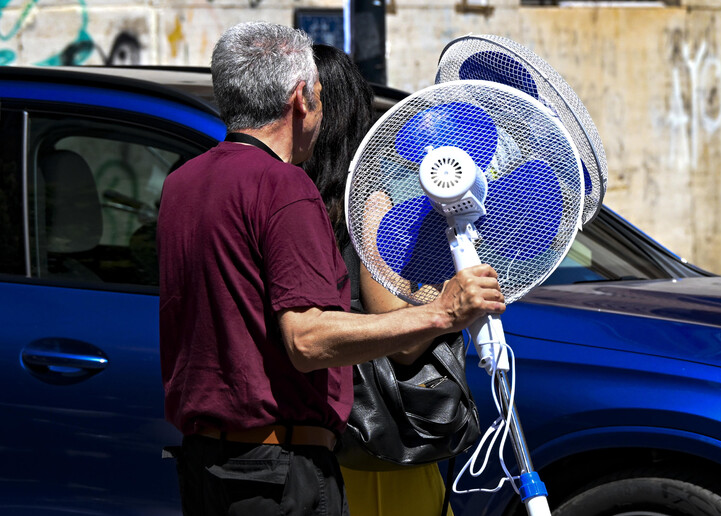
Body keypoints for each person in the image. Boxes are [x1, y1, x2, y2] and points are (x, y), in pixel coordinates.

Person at [157, 21, 505, 516]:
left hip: (206, 463)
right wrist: (442, 313)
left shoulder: (183, 183)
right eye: (317, 97)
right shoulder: (283, 186)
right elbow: (306, 339)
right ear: (301, 98)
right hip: (277, 469)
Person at [303, 43, 456, 516]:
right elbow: (404, 339)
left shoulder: (291, 206)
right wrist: (445, 301)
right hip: (375, 458)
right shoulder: (373, 207)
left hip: (313, 445)